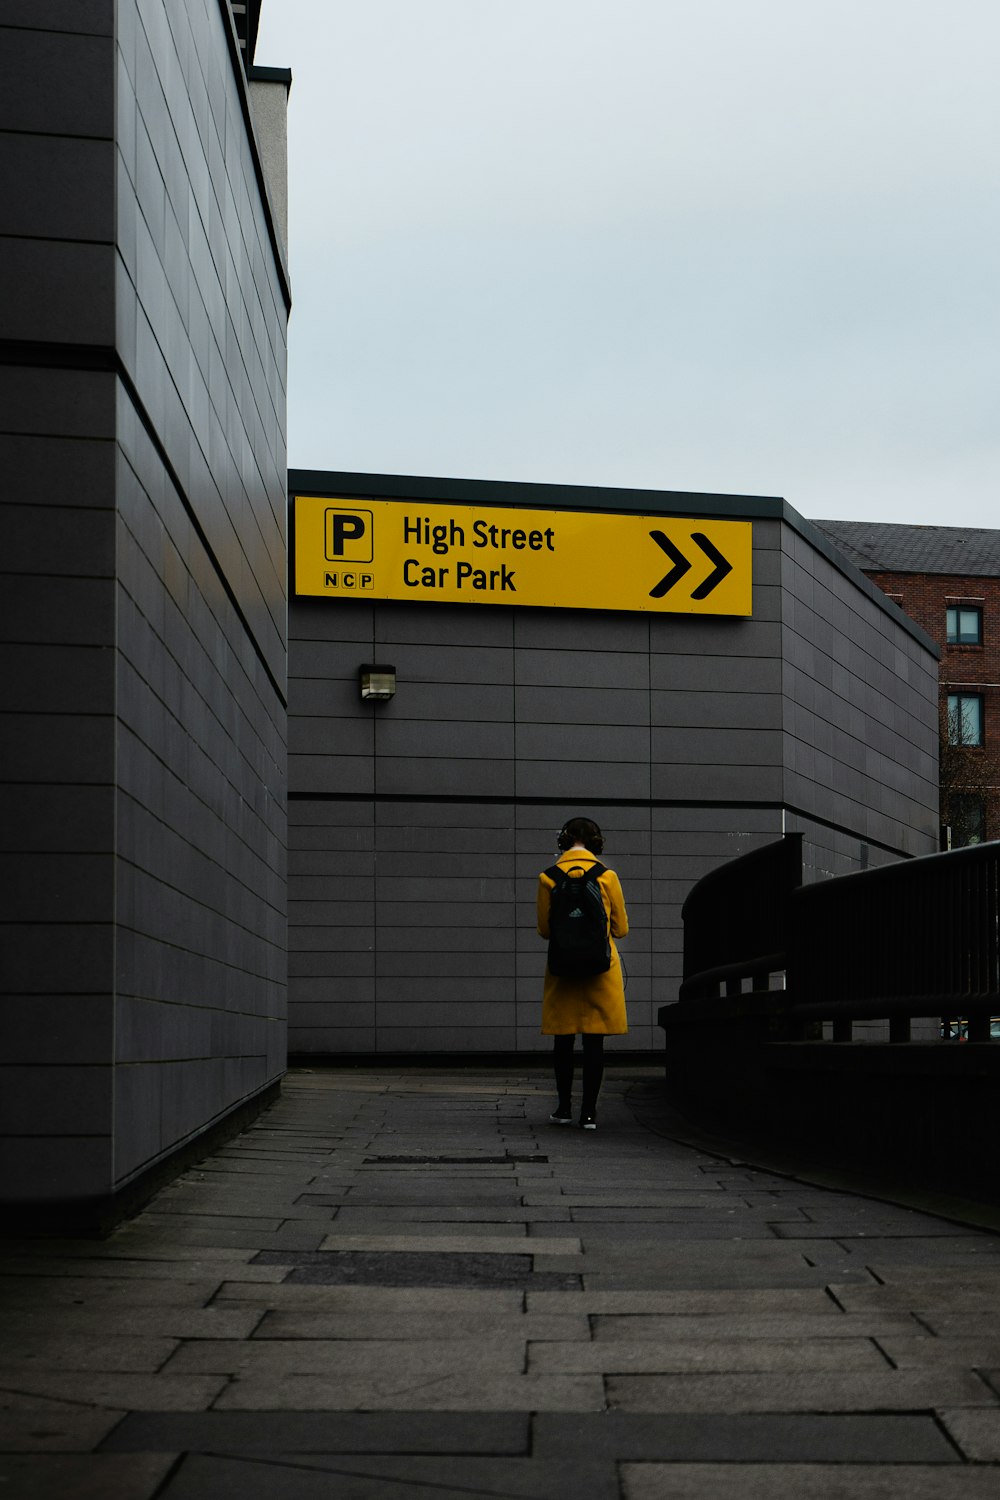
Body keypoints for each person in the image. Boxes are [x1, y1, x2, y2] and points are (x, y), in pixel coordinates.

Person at [536, 816, 629, 1130]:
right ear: (597, 842)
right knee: (594, 1041)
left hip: (562, 968)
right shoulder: (607, 876)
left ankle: (563, 1108)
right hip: (599, 968)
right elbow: (621, 929)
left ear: (563, 841)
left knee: (563, 1041)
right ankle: (588, 1114)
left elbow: (545, 930)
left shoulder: (547, 877)